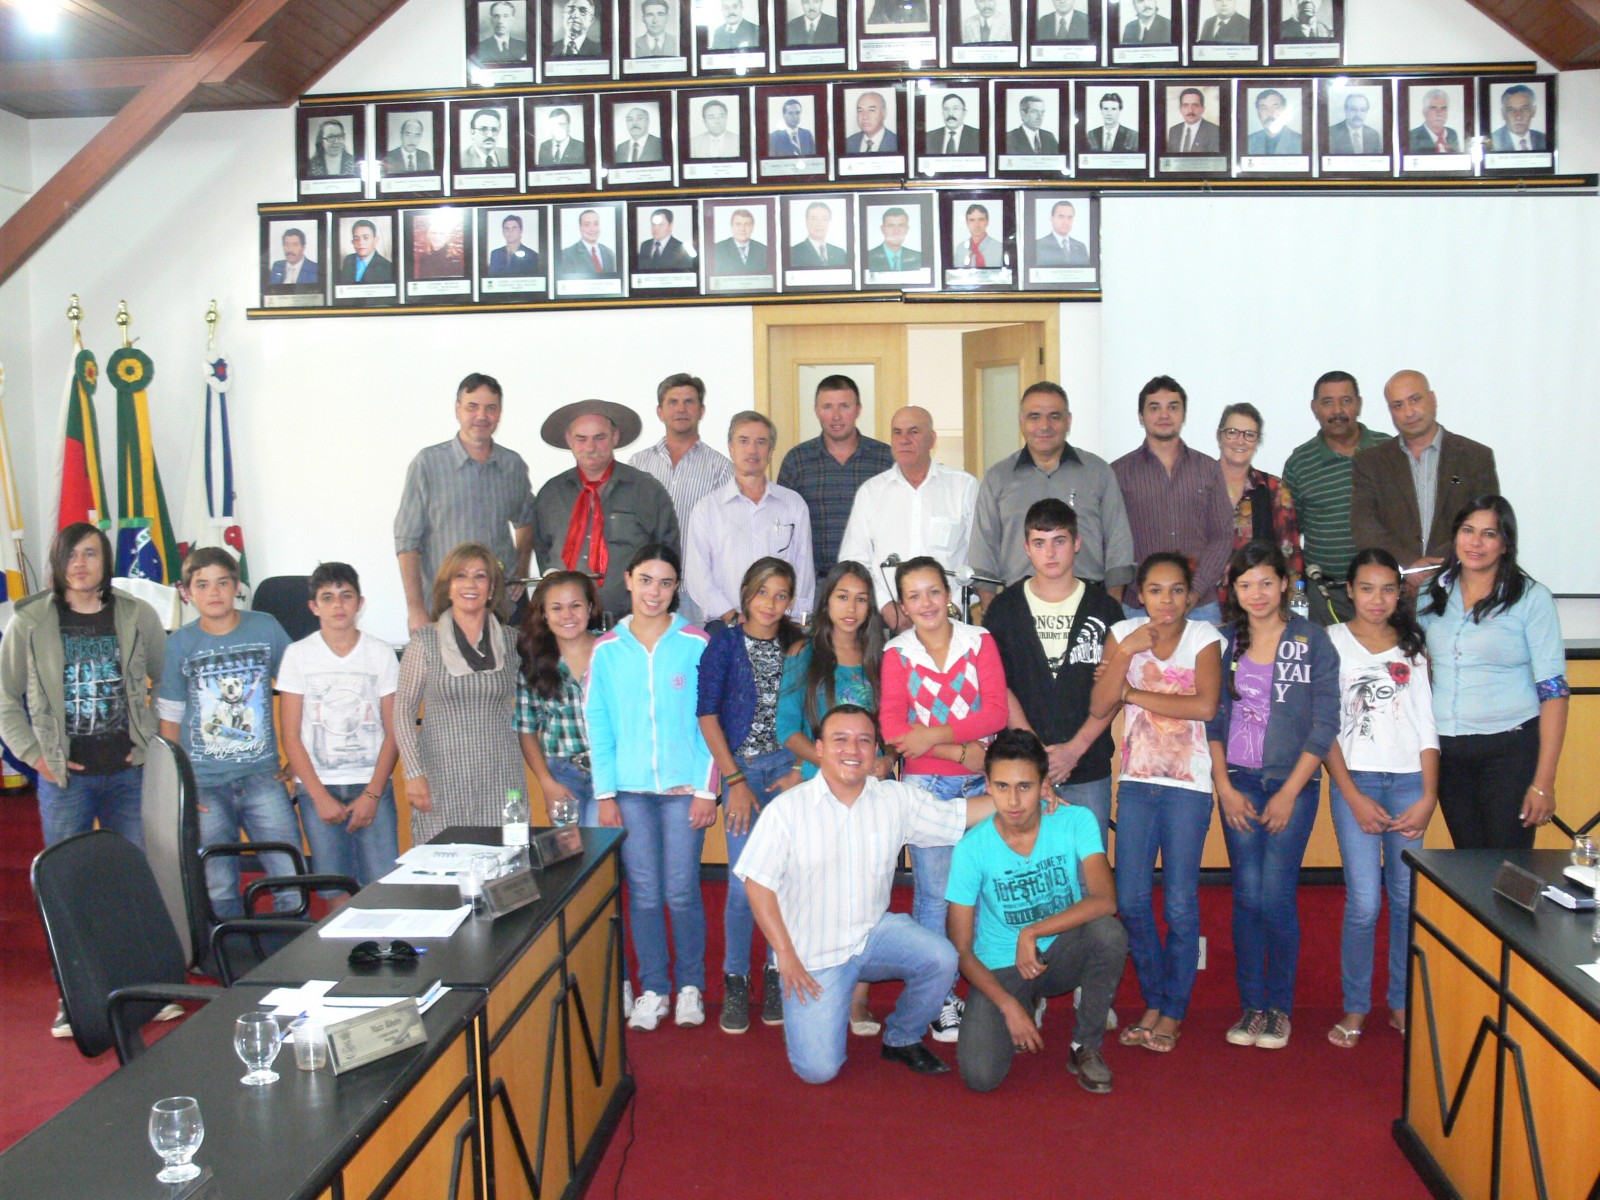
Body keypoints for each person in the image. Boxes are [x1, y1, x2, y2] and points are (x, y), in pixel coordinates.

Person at [735, 703, 995, 1083]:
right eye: (840, 740)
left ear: (876, 750)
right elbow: (757, 883)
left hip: (872, 935)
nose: (852, 750)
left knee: (941, 957)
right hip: (814, 956)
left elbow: (959, 815)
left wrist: (1025, 796)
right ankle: (827, 1006)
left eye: (863, 741)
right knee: (817, 1071)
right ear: (819, 748)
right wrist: (785, 956)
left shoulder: (894, 799)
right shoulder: (788, 811)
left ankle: (902, 1037)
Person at [0, 523, 167, 1038]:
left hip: (127, 774)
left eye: (90, 553)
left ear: (105, 560)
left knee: (131, 885)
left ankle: (144, 989)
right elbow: (5, 699)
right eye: (70, 554)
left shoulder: (137, 614)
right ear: (57, 562)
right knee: (67, 891)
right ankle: (73, 997)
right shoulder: (29, 622)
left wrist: (148, 739)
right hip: (64, 782)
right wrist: (36, 756)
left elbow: (162, 679)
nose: (79, 563)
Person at [1207, 541, 1339, 1051]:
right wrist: (1223, 785)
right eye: (1245, 585)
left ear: (1284, 584)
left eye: (1266, 582)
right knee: (1246, 895)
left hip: (1292, 786)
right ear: (1233, 591)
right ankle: (1252, 1006)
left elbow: (1325, 723)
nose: (1256, 593)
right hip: (1237, 784)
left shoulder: (1311, 639)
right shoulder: (1223, 642)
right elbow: (1211, 719)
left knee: (1275, 895)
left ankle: (1279, 1007)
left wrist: (1289, 792)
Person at [1089, 552, 1222, 1054]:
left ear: (1190, 596)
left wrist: (1133, 693)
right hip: (1137, 783)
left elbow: (1203, 705)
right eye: (1155, 590)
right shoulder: (1124, 634)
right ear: (1139, 595)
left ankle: (1173, 1011)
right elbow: (1100, 704)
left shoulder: (1204, 637)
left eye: (1176, 590)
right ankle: (1156, 1000)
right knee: (1131, 901)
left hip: (1188, 786)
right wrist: (1126, 654)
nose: (1166, 601)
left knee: (1181, 904)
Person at [947, 729, 1126, 1094]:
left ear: (1044, 784)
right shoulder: (970, 848)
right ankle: (1024, 1002)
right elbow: (962, 949)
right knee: (980, 1077)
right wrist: (1007, 1005)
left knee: (1108, 933)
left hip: (1061, 952)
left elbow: (1105, 899)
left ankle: (1085, 1046)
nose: (1013, 801)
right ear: (987, 785)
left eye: (1025, 787)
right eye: (1002, 786)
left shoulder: (1075, 820)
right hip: (1002, 966)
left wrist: (1033, 932)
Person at [586, 543, 718, 1032]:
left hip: (685, 791)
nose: (654, 592)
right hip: (629, 792)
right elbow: (598, 724)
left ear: (676, 587)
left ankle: (690, 986)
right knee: (642, 892)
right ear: (628, 580)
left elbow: (712, 721)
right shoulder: (607, 649)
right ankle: (654, 988)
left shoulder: (696, 643)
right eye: (645, 580)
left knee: (681, 891)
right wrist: (604, 794)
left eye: (665, 582)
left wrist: (707, 790)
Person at [880, 556, 1008, 1042]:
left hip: (981, 785)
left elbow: (995, 714)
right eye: (914, 596)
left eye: (933, 591)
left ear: (949, 594)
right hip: (927, 788)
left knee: (983, 891)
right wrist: (958, 749)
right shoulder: (897, 652)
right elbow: (894, 730)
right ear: (903, 605)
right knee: (934, 897)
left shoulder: (980, 641)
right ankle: (939, 997)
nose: (926, 603)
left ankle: (989, 989)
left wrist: (931, 734)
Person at [1324, 549, 1438, 1049]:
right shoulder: (1331, 641)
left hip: (1410, 782)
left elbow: (1427, 725)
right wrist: (1351, 796)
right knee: (1365, 902)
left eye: (1388, 589)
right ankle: (1355, 1005)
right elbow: (1324, 728)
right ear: (1349, 591)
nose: (1377, 599)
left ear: (1400, 593)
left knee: (1406, 898)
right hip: (1357, 783)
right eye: (1367, 588)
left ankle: (1400, 1000)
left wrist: (1429, 796)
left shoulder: (1413, 645)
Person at [777, 560, 892, 1037]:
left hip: (870, 794)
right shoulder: (804, 654)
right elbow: (788, 729)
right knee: (818, 895)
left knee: (869, 897)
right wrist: (826, 765)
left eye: (862, 599)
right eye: (843, 596)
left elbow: (891, 728)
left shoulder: (880, 656)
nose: (852, 607)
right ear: (826, 602)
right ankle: (811, 983)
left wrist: (885, 758)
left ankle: (858, 998)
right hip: (818, 791)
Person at [1420, 495, 1568, 850]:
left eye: (1489, 534)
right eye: (1467, 530)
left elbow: (1554, 692)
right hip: (1448, 751)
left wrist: (1544, 783)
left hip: (1510, 750)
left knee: (1507, 865)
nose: (1475, 542)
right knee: (1468, 863)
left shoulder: (1532, 598)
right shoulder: (1430, 593)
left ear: (1505, 544)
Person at [157, 547, 297, 920]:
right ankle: (229, 950)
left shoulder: (265, 627)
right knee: (218, 886)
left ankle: (292, 946)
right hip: (204, 785)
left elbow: (299, 691)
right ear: (187, 592)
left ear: (237, 586)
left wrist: (297, 761)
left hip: (262, 776)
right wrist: (179, 786)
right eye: (202, 584)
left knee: (289, 876)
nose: (214, 592)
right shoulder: (179, 643)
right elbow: (170, 717)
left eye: (222, 582)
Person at [697, 558, 805, 1033]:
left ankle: (777, 970)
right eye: (763, 592)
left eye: (781, 595)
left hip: (787, 772)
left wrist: (800, 769)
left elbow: (811, 710)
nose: (770, 604)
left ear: (791, 601)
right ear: (746, 593)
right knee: (743, 883)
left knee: (786, 879)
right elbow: (707, 715)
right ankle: (736, 978)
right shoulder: (723, 643)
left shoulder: (798, 645)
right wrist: (735, 782)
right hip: (742, 773)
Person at [982, 499, 1125, 845]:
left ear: (1077, 543)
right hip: (1021, 769)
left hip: (1087, 764)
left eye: (1059, 540)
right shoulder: (1004, 609)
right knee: (1027, 867)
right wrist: (1037, 754)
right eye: (1039, 542)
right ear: (1026, 548)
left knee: (1088, 867)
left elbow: (1117, 688)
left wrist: (1075, 749)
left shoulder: (1105, 608)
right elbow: (998, 685)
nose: (1050, 553)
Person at [278, 563, 400, 889]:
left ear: (360, 603)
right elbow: (290, 735)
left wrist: (372, 794)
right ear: (314, 607)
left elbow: (394, 732)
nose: (338, 605)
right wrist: (319, 796)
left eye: (346, 596)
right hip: (318, 787)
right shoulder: (297, 655)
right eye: (328, 597)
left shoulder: (381, 653)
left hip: (371, 785)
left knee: (385, 887)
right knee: (334, 887)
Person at [395, 543, 524, 843]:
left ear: (492, 589)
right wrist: (413, 774)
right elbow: (402, 712)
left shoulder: (511, 640)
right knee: (442, 867)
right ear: (448, 587)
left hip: (501, 780)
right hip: (440, 780)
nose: (470, 584)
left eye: (480, 576)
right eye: (461, 575)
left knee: (502, 864)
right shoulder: (424, 642)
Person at [395, 372, 536, 634]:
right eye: (472, 406)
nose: (481, 415)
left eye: (490, 408)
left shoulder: (512, 465)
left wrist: (520, 569)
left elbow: (527, 521)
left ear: (499, 414)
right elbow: (407, 543)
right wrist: (415, 609)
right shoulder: (428, 464)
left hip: (502, 608)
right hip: (445, 608)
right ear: (457, 409)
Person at [972, 382, 1134, 605]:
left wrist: (1112, 605)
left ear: (1068, 421)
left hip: (1087, 601)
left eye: (1054, 416)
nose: (1044, 426)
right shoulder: (997, 478)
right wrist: (991, 610)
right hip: (1018, 605)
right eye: (1034, 417)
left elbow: (1118, 540)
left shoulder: (1098, 472)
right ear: (1022, 422)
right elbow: (983, 549)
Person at [532, 397, 678, 620]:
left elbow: (668, 556)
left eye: (599, 438)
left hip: (631, 624)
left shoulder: (647, 491)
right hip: (567, 626)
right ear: (569, 440)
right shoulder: (550, 495)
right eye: (581, 439)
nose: (590, 447)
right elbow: (543, 553)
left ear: (615, 437)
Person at [837, 405, 978, 633]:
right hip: (888, 621)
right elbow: (853, 560)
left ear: (932, 439)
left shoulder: (963, 487)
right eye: (897, 432)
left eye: (914, 432)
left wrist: (955, 606)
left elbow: (978, 556)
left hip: (952, 620)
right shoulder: (871, 492)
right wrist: (885, 605)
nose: (904, 440)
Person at [1352, 370, 1500, 584]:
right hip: (1395, 588)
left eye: (1415, 400)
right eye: (1398, 405)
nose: (1409, 412)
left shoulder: (1475, 457)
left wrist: (1435, 567)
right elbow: (1364, 527)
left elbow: (1486, 523)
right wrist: (1409, 565)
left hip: (1460, 583)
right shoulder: (1370, 463)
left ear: (1432, 399)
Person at [1111, 375, 1235, 622]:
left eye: (1173, 407)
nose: (1164, 415)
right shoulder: (1118, 472)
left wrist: (1194, 590)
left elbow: (1222, 536)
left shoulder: (1208, 469)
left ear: (1184, 415)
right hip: (1138, 606)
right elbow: (1112, 542)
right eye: (1155, 408)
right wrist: (1143, 591)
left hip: (1199, 605)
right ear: (1141, 416)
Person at [686, 411, 816, 622]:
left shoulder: (793, 504)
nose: (752, 450)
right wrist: (732, 617)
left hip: (781, 623)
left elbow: (804, 569)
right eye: (743, 441)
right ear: (731, 447)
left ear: (771, 451)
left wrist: (791, 620)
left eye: (761, 442)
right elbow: (697, 576)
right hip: (727, 625)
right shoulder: (707, 509)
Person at [1282, 370, 1389, 625]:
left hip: (1383, 592)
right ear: (1315, 408)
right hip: (1325, 595)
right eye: (1328, 402)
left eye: (1346, 401)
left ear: (1359, 404)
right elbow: (1291, 534)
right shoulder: (1300, 463)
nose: (1337, 411)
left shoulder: (1388, 450)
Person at [629, 373, 733, 625]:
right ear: (660, 411)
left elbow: (725, 538)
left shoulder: (721, 469)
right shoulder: (638, 465)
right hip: (647, 589)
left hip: (696, 592)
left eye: (689, 402)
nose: (681, 409)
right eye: (673, 402)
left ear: (701, 410)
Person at [778, 374, 894, 580]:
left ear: (858, 409)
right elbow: (782, 527)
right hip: (814, 583)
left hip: (873, 582)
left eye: (844, 406)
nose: (836, 416)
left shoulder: (885, 460)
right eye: (827, 407)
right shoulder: (797, 461)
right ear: (816, 410)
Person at [516, 570, 602, 828]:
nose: (567, 615)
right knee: (570, 848)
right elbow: (526, 730)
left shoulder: (611, 651)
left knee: (602, 846)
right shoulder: (534, 662)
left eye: (575, 605)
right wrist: (546, 783)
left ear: (589, 607)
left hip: (610, 771)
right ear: (544, 613)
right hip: (562, 774)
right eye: (556, 608)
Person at [1214, 402, 1302, 607]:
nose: (1240, 441)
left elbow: (1290, 556)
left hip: (1258, 604)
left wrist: (1290, 608)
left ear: (1258, 441)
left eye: (1249, 435)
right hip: (1203, 605)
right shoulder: (1199, 484)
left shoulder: (1275, 490)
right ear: (1219, 436)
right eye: (1232, 432)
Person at [558, 209, 618, 276]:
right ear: (580, 228)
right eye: (587, 225)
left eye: (596, 224)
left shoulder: (609, 253)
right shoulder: (567, 254)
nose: (592, 229)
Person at [790, 202, 848, 268]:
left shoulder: (840, 253)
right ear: (806, 221)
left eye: (824, 219)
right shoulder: (793, 253)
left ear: (829, 222)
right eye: (814, 219)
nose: (819, 224)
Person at [711, 207, 769, 274]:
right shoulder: (717, 249)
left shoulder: (764, 250)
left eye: (747, 224)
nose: (742, 228)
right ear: (732, 227)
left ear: (752, 227)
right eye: (738, 224)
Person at [1490, 84, 1546, 151]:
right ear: (1503, 113)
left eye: (1524, 109)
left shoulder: (1544, 139)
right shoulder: (1492, 141)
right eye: (1511, 110)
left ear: (1533, 111)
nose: (1518, 117)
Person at [866, 207, 922, 272]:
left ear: (907, 229)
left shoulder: (918, 257)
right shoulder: (868, 257)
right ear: (882, 229)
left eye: (901, 226)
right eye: (891, 226)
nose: (896, 231)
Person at [1033, 200, 1089, 266]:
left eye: (1070, 217)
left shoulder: (1081, 247)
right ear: (1052, 219)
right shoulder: (1038, 246)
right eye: (1061, 217)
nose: (1066, 222)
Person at [1166, 87, 1221, 154]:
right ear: (1180, 109)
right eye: (1186, 105)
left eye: (1195, 105)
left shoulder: (1215, 131)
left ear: (1203, 109)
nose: (1190, 110)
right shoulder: (1173, 131)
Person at [1247, 89, 1302, 154]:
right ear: (1258, 112)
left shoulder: (1301, 143)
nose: (1269, 113)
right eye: (1263, 108)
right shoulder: (1248, 142)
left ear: (1284, 110)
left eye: (1275, 107)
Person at [339, 219, 394, 284]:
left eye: (366, 238)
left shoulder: (387, 267)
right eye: (356, 238)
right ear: (353, 242)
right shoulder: (348, 259)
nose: (360, 243)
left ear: (375, 240)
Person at [1408, 88, 1461, 153]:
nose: (1439, 113)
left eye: (1443, 108)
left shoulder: (1452, 134)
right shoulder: (1412, 137)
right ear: (1424, 112)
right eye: (1433, 108)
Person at [956, 203, 1001, 268]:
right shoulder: (960, 249)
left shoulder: (1000, 249)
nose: (977, 225)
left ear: (987, 222)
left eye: (981, 220)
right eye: (972, 220)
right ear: (967, 223)